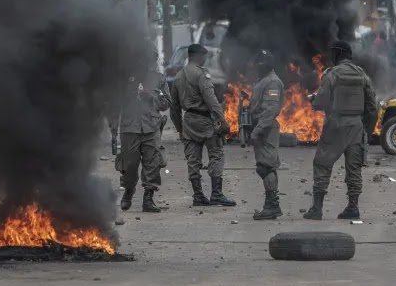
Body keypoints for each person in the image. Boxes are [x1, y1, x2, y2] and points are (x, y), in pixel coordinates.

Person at [302, 41, 378, 220]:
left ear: (338, 54)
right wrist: (366, 130)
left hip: (336, 126)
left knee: (322, 164)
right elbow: (372, 107)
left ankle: (317, 209)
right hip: (356, 127)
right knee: (354, 169)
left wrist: (313, 100)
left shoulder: (331, 74)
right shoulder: (362, 74)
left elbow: (321, 102)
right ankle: (353, 207)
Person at [169, 44, 236, 207]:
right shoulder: (201, 74)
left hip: (189, 122)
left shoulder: (178, 76)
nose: (205, 59)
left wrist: (180, 129)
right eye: (204, 56)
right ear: (198, 56)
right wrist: (223, 121)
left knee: (192, 160)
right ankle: (216, 194)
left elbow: (174, 108)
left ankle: (198, 195)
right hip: (205, 122)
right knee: (217, 154)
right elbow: (212, 101)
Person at [111, 49, 171, 213]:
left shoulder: (159, 79)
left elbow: (166, 103)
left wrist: (151, 97)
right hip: (129, 128)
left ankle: (148, 197)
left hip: (151, 128)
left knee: (152, 164)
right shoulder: (125, 79)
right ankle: (128, 192)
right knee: (129, 165)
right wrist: (113, 132)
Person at [247, 50, 285, 220]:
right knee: (264, 165)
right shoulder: (264, 80)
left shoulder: (272, 82)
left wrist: (257, 130)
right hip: (262, 127)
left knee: (266, 166)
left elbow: (270, 110)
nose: (256, 66)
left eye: (259, 63)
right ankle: (272, 205)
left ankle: (272, 206)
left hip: (266, 128)